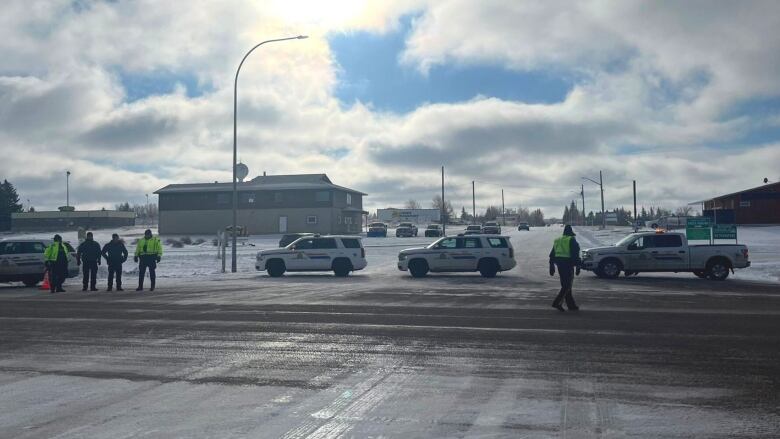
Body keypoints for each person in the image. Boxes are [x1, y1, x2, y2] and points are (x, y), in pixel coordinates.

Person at [549, 225, 582, 311]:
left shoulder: (558, 240)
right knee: (567, 286)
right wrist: (578, 265)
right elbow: (575, 254)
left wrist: (551, 265)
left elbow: (552, 254)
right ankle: (557, 302)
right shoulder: (572, 240)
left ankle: (571, 305)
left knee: (566, 285)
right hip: (568, 265)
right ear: (571, 233)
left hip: (560, 265)